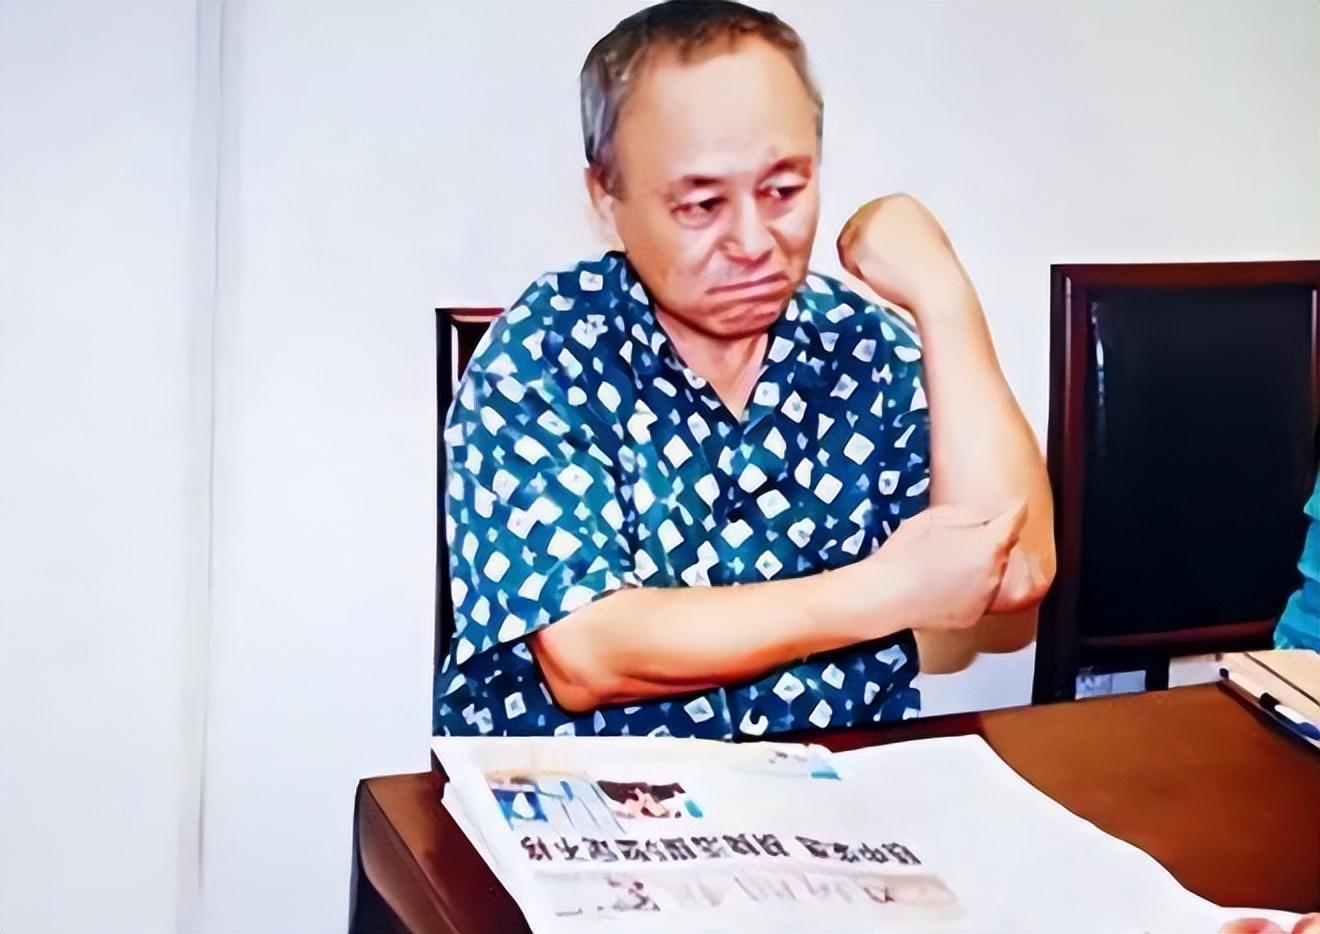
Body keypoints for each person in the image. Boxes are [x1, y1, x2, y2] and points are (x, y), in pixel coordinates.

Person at [434, 0, 1054, 739]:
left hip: (833, 787)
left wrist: (944, 299)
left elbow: (1013, 568)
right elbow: (589, 655)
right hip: (590, 787)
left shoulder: (858, 345)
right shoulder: (549, 347)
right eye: (701, 205)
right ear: (607, 197)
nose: (754, 243)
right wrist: (885, 592)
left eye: (784, 191)